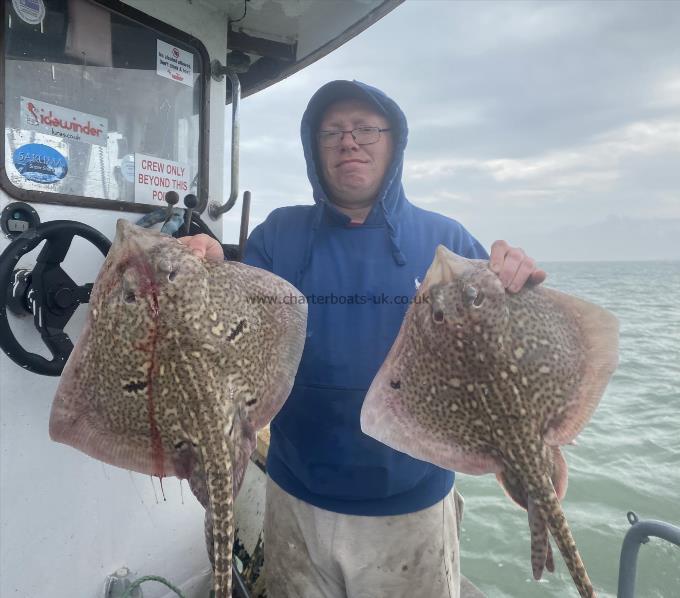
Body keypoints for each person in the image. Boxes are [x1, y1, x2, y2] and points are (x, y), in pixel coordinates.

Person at [181, 80, 546, 598]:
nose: (348, 141)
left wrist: (518, 285)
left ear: (394, 143)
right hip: (296, 495)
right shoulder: (278, 236)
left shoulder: (447, 242)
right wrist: (209, 275)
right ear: (314, 148)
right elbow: (232, 338)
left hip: (412, 507)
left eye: (366, 129)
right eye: (332, 131)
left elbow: (503, 359)